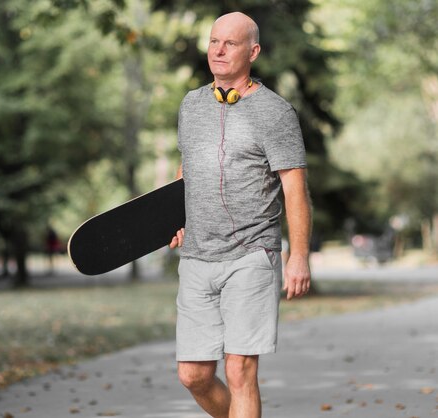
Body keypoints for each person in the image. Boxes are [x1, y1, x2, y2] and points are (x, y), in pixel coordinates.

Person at [168, 12, 312, 418]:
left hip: (252, 254)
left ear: (253, 51)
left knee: (239, 370)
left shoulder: (275, 112)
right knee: (193, 374)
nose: (218, 50)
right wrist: (172, 216)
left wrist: (297, 256)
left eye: (230, 43)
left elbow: (295, 189)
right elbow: (187, 167)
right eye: (214, 41)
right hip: (197, 256)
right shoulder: (191, 105)